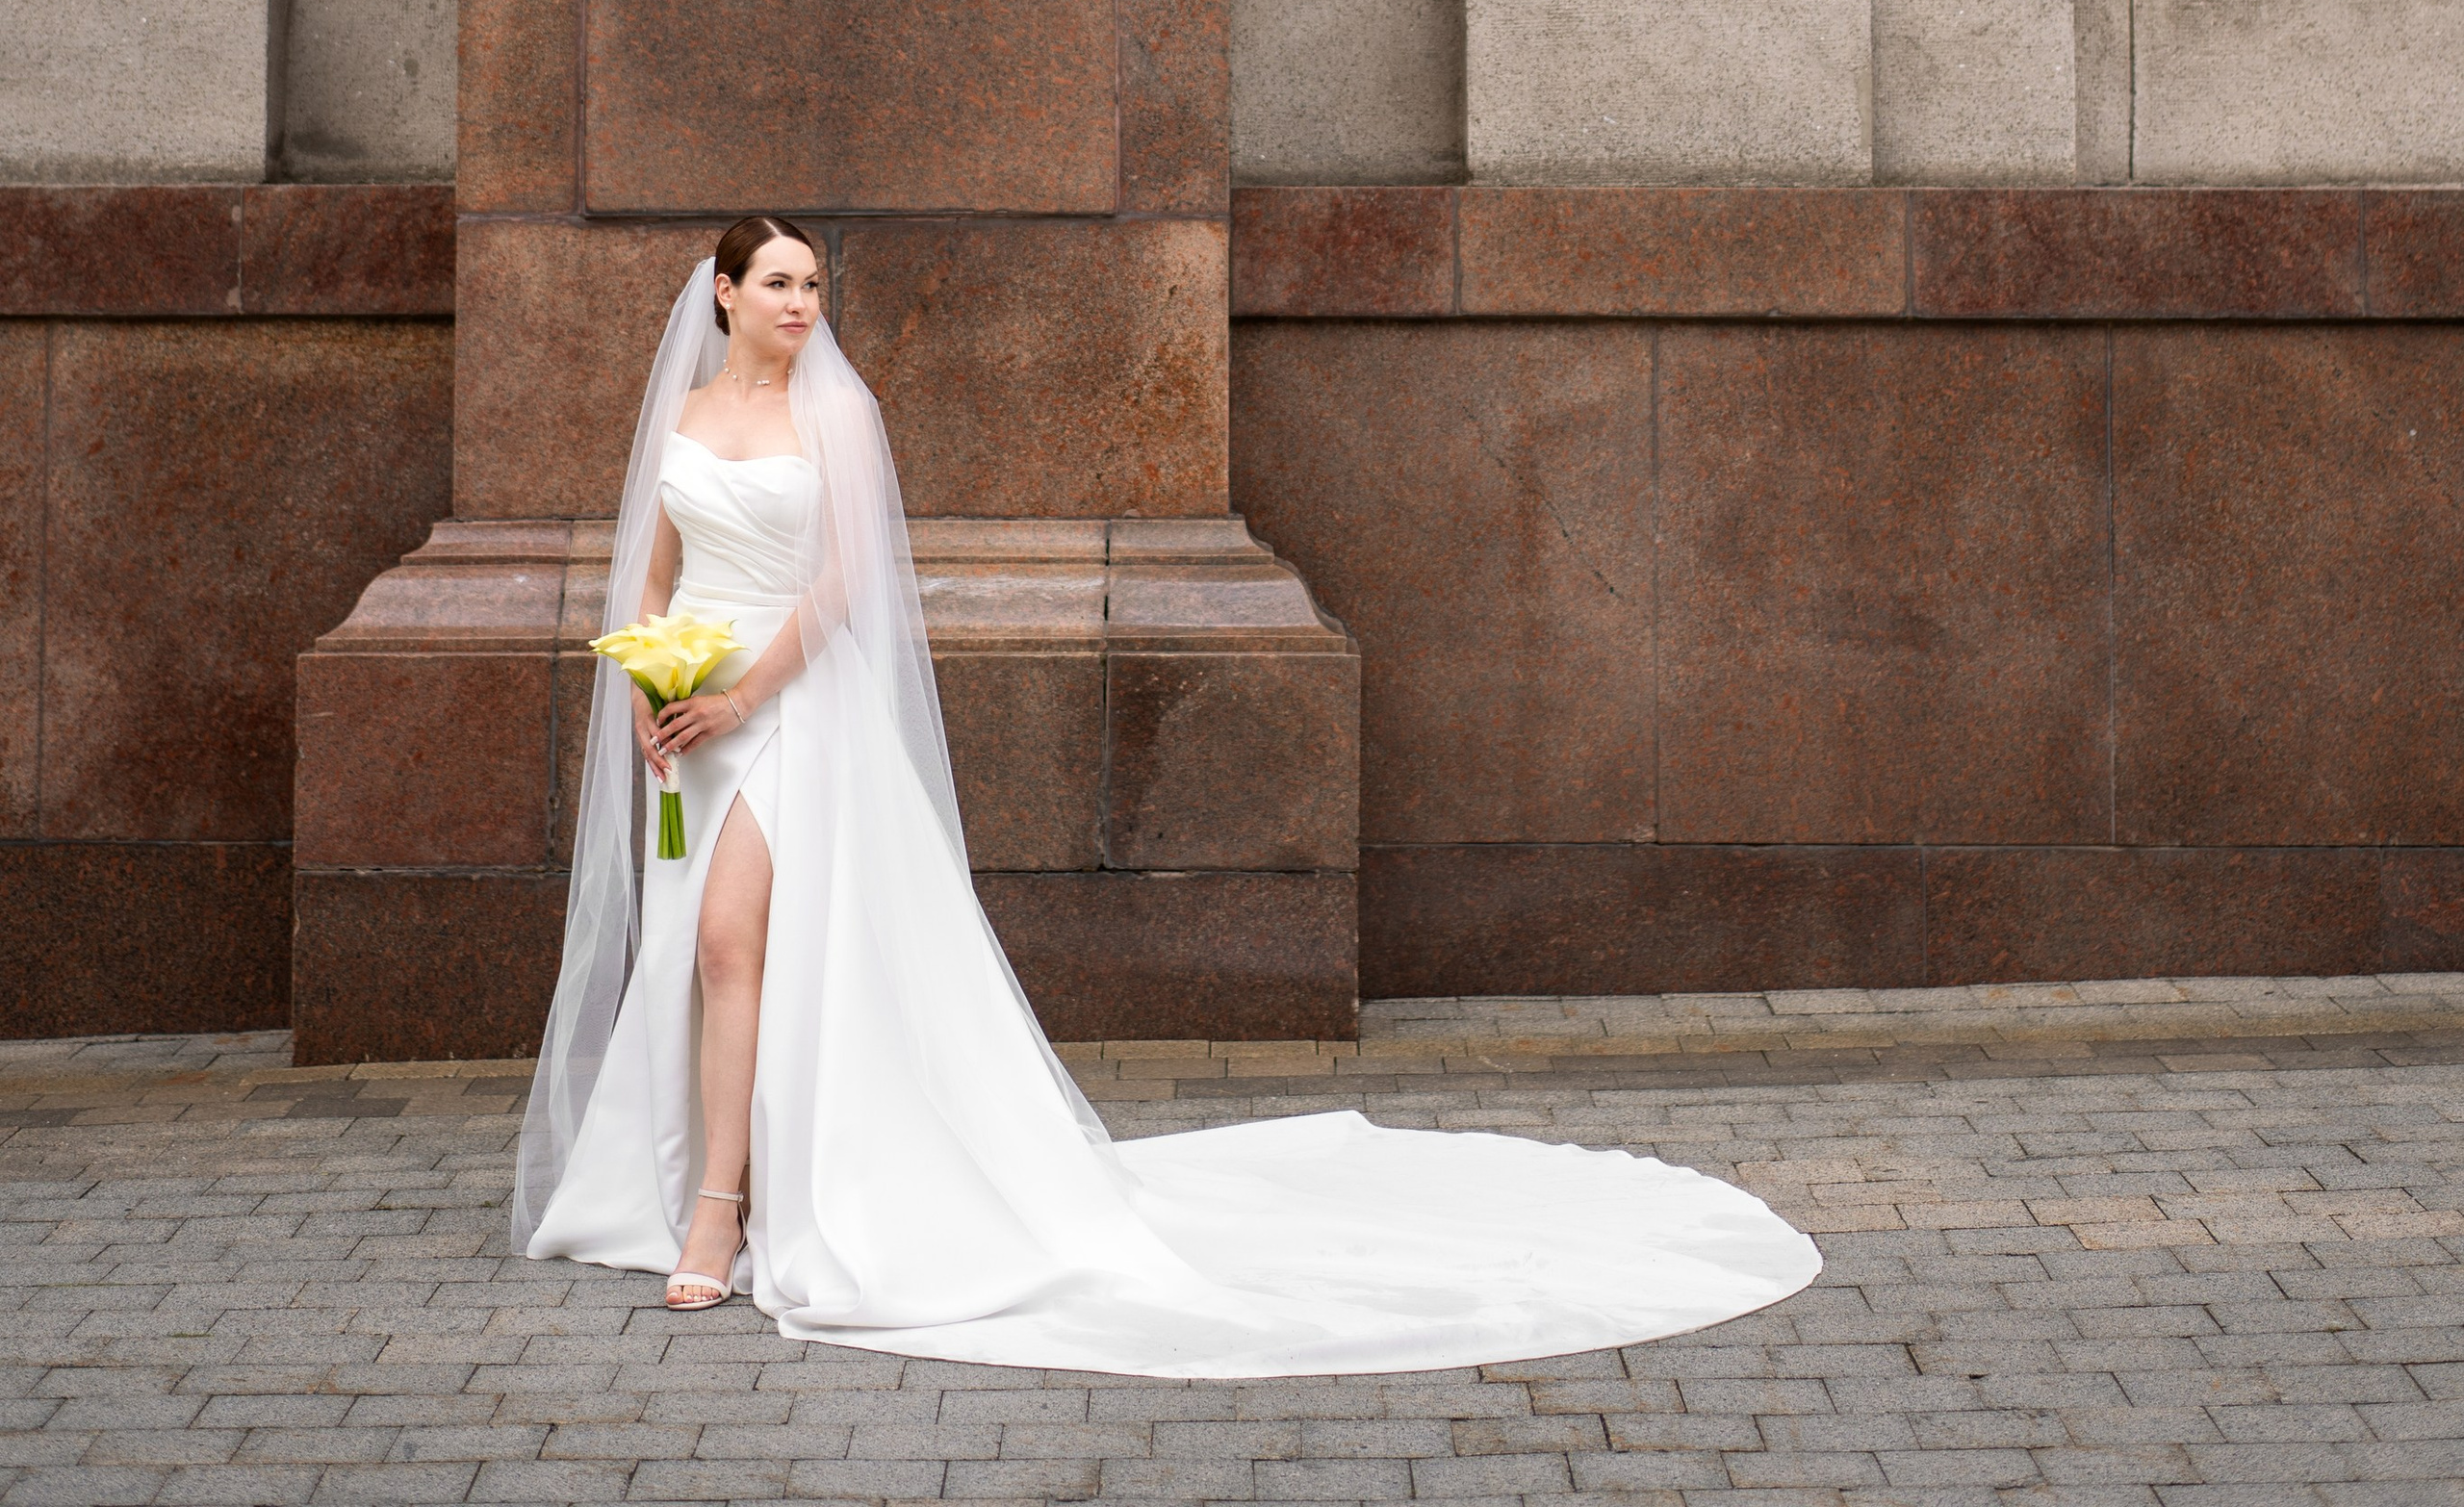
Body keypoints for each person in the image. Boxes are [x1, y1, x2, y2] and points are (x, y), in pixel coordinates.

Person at [516, 218, 1823, 1372]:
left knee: (734, 939)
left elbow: (846, 582)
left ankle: (721, 1212)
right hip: (692, 710)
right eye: (782, 283)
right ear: (725, 292)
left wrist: (745, 698)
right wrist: (650, 678)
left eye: (816, 285)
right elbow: (656, 573)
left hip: (791, 709)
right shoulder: (688, 417)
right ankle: (718, 1177)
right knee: (703, 951)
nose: (805, 305)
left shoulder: (837, 416)